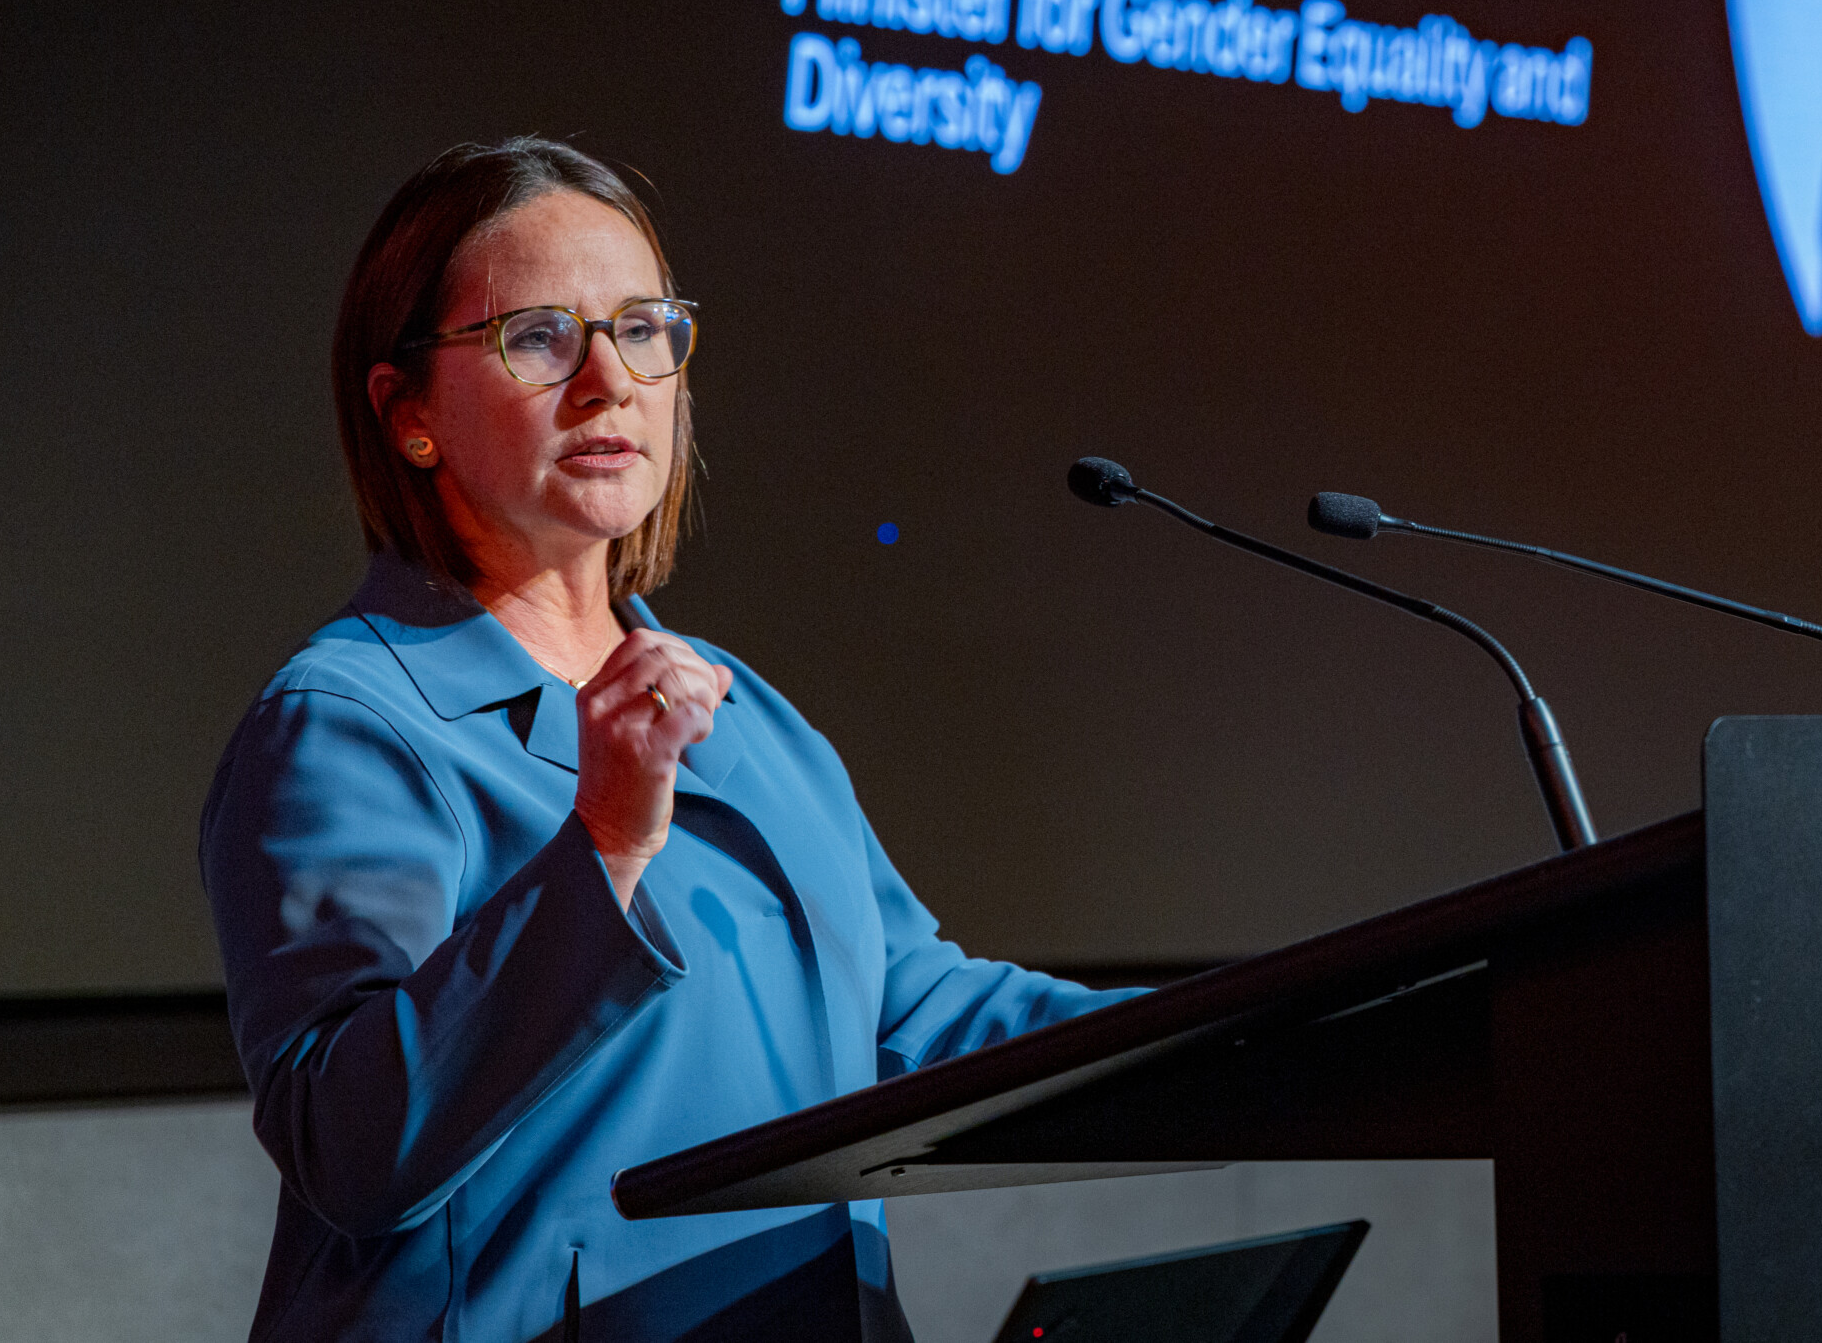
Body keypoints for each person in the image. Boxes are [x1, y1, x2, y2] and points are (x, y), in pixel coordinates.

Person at [200, 138, 1137, 1342]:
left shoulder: (745, 711)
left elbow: (921, 1014)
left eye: (642, 330)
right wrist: (600, 844)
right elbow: (353, 1147)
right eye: (538, 336)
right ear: (410, 413)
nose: (609, 381)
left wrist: (1258, 1028)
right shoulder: (346, 723)